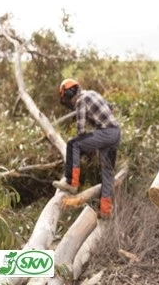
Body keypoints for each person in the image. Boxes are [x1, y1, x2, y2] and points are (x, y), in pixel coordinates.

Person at [53, 78, 121, 218]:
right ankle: (105, 210)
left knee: (73, 144)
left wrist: (87, 147)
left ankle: (72, 182)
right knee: (108, 173)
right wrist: (93, 143)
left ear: (70, 93)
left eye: (67, 99)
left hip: (105, 133)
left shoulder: (80, 100)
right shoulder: (92, 93)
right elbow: (111, 108)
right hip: (115, 133)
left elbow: (81, 130)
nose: (69, 102)